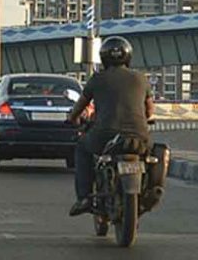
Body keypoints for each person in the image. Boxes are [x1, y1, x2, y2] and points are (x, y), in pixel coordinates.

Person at [66, 36, 154, 217]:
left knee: (82, 148)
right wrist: (146, 119)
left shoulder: (97, 79)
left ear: (104, 57)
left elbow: (80, 106)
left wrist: (72, 119)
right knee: (153, 155)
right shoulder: (140, 78)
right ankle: (152, 190)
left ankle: (84, 197)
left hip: (104, 136)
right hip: (139, 137)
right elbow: (149, 109)